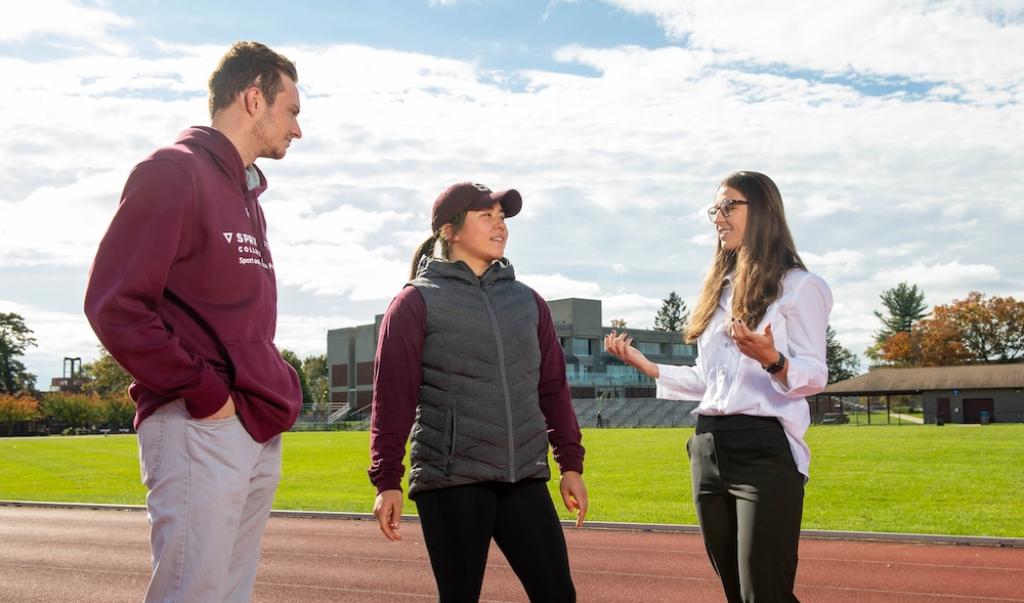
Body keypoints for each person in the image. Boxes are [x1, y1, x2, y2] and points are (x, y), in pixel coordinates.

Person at [84, 41, 304, 603]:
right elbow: (115, 304)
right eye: (292, 110)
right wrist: (205, 394)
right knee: (192, 594)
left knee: (229, 595)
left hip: (251, 421)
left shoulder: (248, 197)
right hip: (200, 423)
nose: (298, 129)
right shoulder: (172, 172)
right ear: (254, 98)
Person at [605, 171, 832, 603]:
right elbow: (712, 381)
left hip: (764, 450)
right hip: (708, 445)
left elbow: (815, 376)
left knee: (762, 593)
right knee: (735, 591)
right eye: (715, 209)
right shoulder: (719, 291)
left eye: (729, 206)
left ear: (762, 211)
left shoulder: (801, 287)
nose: (718, 217)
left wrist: (773, 359)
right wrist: (650, 367)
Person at [369, 182, 588, 602]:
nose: (499, 226)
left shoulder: (528, 302)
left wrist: (571, 465)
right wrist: (387, 480)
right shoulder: (415, 303)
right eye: (486, 216)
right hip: (452, 478)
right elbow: (392, 398)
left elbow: (554, 389)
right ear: (450, 231)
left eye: (502, 218)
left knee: (558, 594)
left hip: (522, 475)